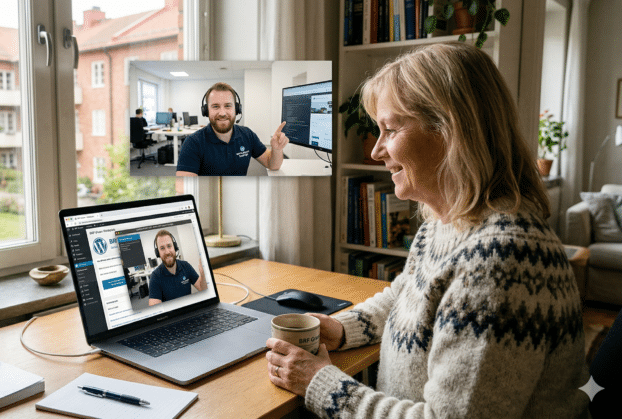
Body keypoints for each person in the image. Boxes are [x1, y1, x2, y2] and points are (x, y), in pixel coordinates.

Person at [265, 43, 589, 418]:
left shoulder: (501, 260)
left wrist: (320, 384)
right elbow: (406, 299)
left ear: (451, 130)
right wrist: (341, 329)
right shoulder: (449, 222)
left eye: (390, 130)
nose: (377, 151)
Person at [175, 82, 289, 176]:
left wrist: (277, 150)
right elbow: (185, 187)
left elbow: (272, 165)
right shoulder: (193, 143)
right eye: (215, 106)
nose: (222, 113)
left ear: (237, 109)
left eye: (228, 106)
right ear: (206, 111)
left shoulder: (247, 135)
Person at [148, 230, 205, 305]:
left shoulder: (186, 266)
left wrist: (203, 275)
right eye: (162, 248)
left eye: (169, 246)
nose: (167, 252)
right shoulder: (155, 277)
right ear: (158, 252)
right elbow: (155, 308)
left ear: (174, 247)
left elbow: (202, 288)